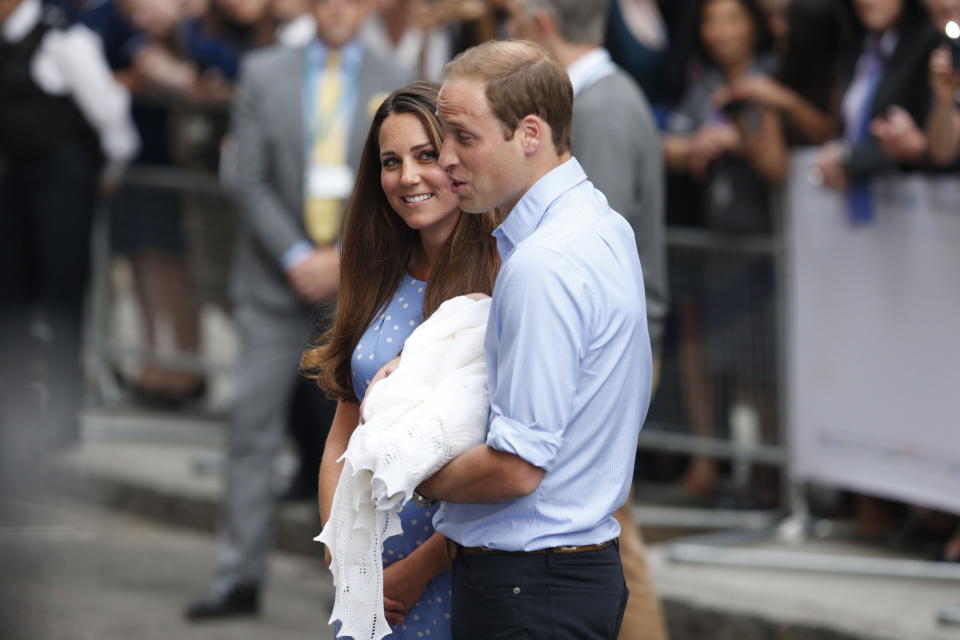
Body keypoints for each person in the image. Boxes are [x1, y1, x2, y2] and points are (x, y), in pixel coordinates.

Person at [414, 39, 652, 639]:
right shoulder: (598, 223)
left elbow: (518, 466)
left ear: (530, 133)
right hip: (553, 579)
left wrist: (407, 470)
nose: (445, 160)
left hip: (530, 588)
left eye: (464, 138)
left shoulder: (545, 263)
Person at [185, 0, 412, 619]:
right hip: (271, 278)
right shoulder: (264, 70)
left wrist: (342, 258)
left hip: (361, 283)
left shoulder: (395, 75)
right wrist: (293, 254)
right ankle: (237, 576)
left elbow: (402, 180)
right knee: (249, 432)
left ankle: (364, 582)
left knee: (367, 441)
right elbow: (246, 177)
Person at [302, 80, 501, 639]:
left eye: (426, 155)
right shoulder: (377, 272)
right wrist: (343, 550)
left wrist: (418, 570)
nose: (408, 177)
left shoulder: (503, 277)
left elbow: (507, 461)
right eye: (392, 162)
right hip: (370, 576)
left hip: (459, 566)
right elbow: (343, 433)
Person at [506, 2, 668, 639]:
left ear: (543, 27)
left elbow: (588, 246)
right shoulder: (611, 96)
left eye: (515, 22)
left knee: (609, 531)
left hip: (602, 345)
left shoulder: (597, 106)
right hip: (613, 338)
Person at [0, 0, 138, 448]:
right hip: (16, 185)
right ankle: (16, 415)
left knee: (62, 303)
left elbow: (112, 115)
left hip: (63, 185)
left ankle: (61, 421)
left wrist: (107, 174)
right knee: (13, 302)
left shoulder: (65, 37)